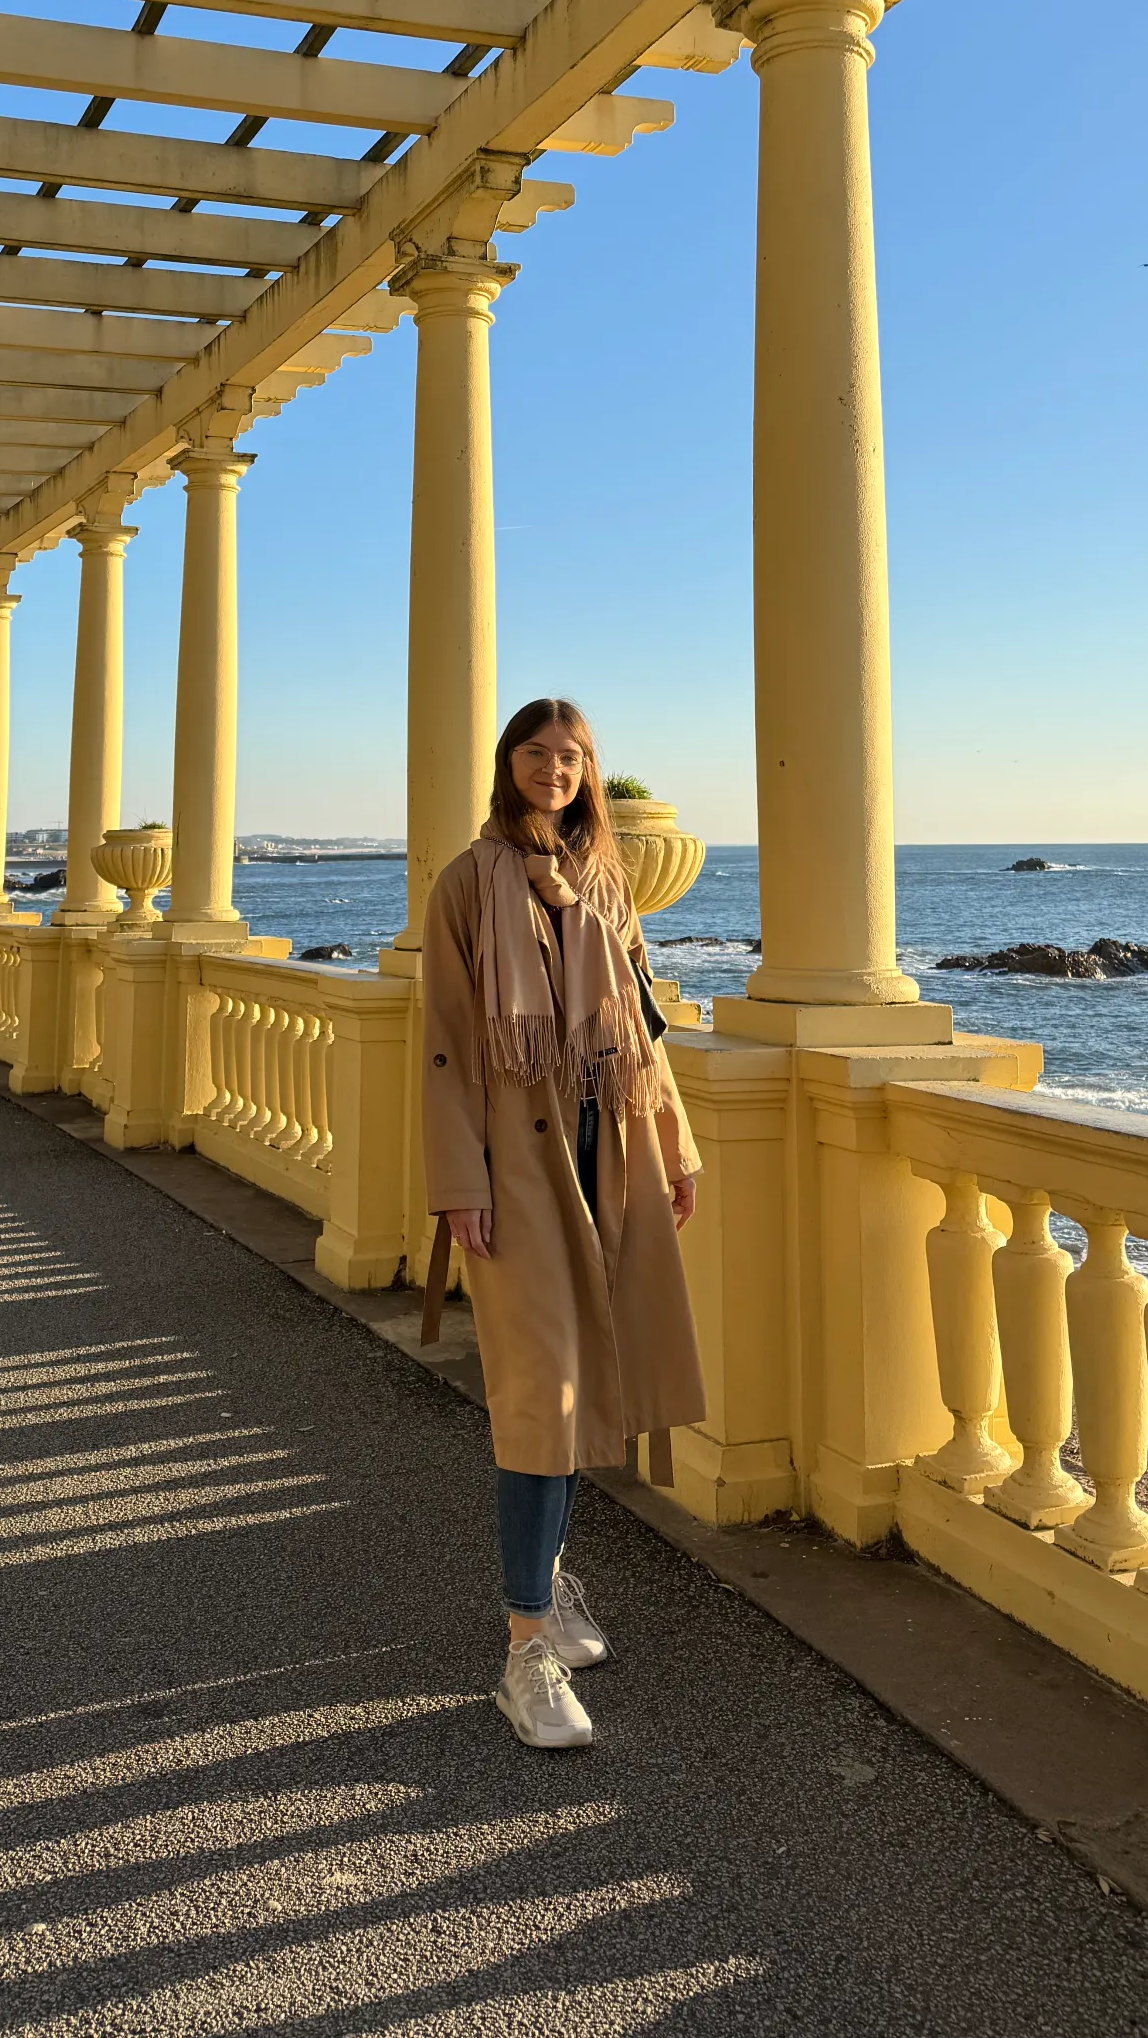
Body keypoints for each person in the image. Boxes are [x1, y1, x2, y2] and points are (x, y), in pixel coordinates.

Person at [422, 697, 705, 1751]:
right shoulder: (469, 882)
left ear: (592, 771)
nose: (556, 769)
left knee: (590, 1375)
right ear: (509, 765)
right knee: (539, 1392)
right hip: (518, 1163)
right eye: (538, 753)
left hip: (612, 1150)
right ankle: (523, 1649)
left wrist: (673, 1146)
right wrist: (461, 1183)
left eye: (573, 756)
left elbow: (641, 1022)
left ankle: (545, 1580)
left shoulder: (602, 880)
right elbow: (446, 1044)